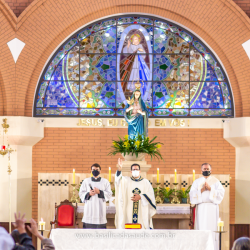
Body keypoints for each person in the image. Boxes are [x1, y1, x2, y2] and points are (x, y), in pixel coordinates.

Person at [189, 163, 225, 250]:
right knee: (201, 229)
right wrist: (201, 190)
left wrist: (210, 189)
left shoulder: (216, 182)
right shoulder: (196, 182)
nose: (206, 170)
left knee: (212, 230)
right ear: (201, 171)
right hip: (201, 208)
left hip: (212, 208)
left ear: (211, 170)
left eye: (207, 169)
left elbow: (221, 194)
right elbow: (191, 195)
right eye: (204, 169)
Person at [115, 158, 156, 229]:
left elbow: (151, 194)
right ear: (131, 171)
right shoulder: (126, 181)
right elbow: (118, 180)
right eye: (133, 170)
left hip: (142, 211)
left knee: (141, 230)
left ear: (140, 171)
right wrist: (119, 169)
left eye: (137, 169)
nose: (135, 171)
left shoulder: (145, 182)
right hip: (129, 210)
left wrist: (141, 197)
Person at [79, 163, 112, 228]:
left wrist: (99, 192)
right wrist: (89, 194)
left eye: (97, 169)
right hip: (89, 208)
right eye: (93, 169)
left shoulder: (105, 181)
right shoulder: (86, 181)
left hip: (100, 209)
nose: (95, 171)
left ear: (100, 171)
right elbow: (81, 193)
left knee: (100, 234)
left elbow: (109, 194)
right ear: (91, 171)